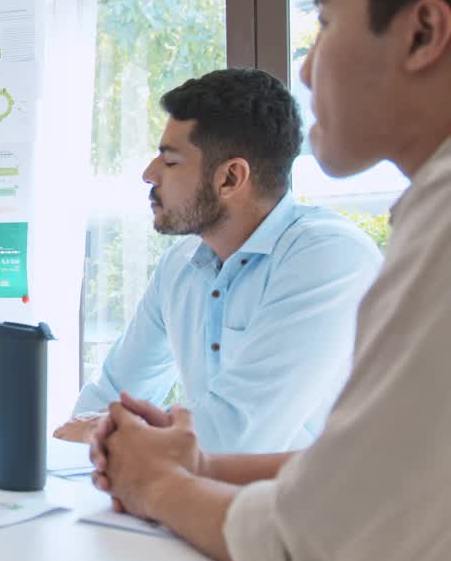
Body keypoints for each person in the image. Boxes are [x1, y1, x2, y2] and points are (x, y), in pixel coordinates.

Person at [91, 0, 451, 561]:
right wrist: (188, 464)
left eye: (323, 22)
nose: (308, 68)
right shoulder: (425, 209)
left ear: (421, 33)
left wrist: (159, 484)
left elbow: (326, 548)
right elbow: (372, 478)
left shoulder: (367, 243)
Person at [55, 68, 380, 454]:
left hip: (324, 510)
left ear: (230, 178)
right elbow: (102, 403)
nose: (148, 174)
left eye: (170, 162)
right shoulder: (181, 267)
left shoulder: (329, 258)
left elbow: (237, 438)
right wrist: (105, 431)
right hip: (218, 504)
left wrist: (105, 434)